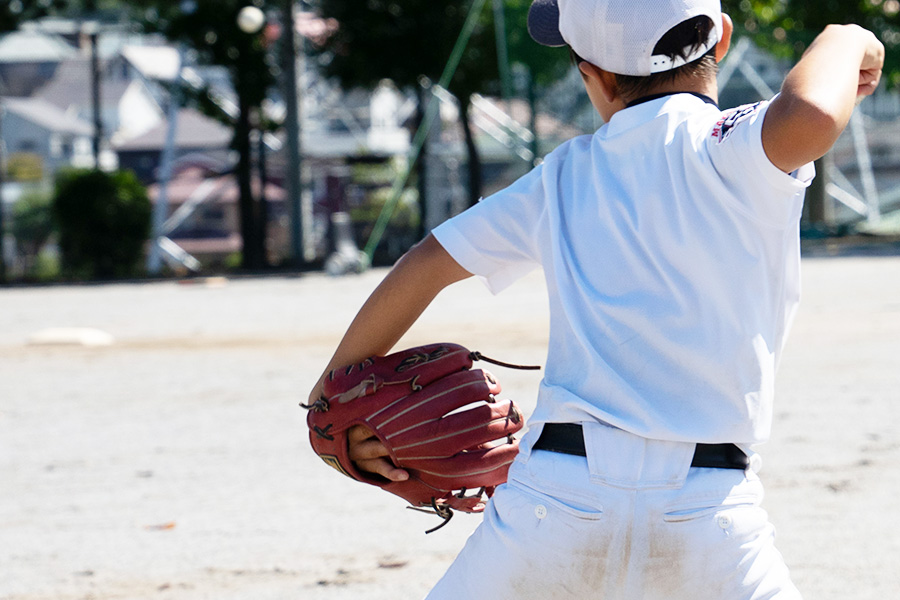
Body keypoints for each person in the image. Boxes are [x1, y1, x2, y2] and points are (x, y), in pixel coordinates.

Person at [308, 0, 884, 597]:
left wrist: (329, 399)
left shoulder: (562, 176)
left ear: (594, 74)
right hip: (709, 512)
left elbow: (424, 264)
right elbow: (815, 111)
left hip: (554, 501)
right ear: (722, 39)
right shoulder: (738, 146)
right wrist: (847, 36)